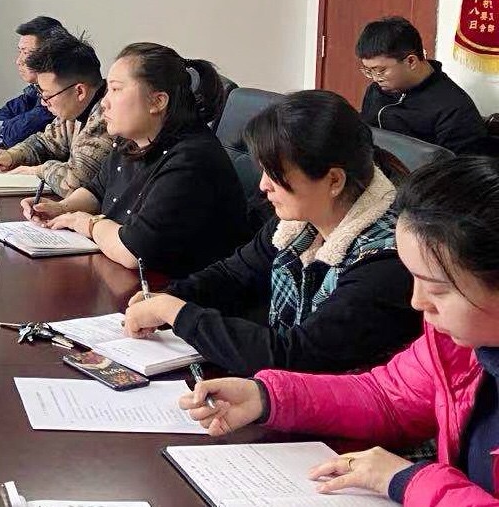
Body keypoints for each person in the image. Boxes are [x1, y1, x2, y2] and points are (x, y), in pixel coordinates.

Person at [181, 156, 499, 505]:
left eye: (437, 289)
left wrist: (409, 480)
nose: (417, 302)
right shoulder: (457, 344)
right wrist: (268, 396)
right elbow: (387, 398)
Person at [122, 90, 419, 375]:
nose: (263, 185)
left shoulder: (387, 260)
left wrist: (177, 313)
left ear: (334, 180)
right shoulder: (299, 222)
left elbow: (296, 357)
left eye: (275, 175)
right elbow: (233, 275)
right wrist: (167, 297)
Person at [25, 42, 252, 277]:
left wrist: (88, 224)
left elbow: (134, 251)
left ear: (157, 101)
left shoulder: (192, 159)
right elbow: (96, 190)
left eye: (116, 89)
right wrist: (61, 209)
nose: (104, 102)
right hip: (128, 278)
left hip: (177, 290)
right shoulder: (133, 141)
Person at [0, 34, 112, 198]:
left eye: (48, 96)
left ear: (79, 91)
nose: (44, 103)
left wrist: (39, 170)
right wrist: (11, 156)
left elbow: (75, 184)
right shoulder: (76, 109)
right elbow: (45, 142)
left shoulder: (108, 115)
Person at [357, 16, 489, 156]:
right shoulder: (376, 90)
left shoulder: (454, 108)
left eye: (380, 70)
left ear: (411, 61)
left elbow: (460, 166)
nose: (375, 78)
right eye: (369, 71)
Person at [0, 16, 68, 147]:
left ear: (48, 55)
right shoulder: (34, 90)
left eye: (26, 53)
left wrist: (12, 124)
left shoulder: (58, 96)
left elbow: (12, 137)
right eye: (19, 52)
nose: (18, 61)